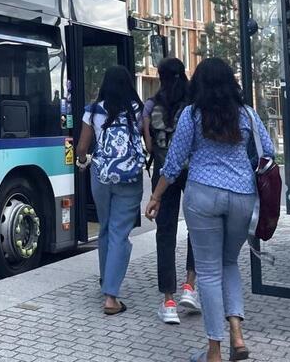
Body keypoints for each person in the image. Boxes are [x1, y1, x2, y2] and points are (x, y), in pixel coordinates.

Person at [145, 57, 274, 362]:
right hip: (242, 196)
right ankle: (237, 335)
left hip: (202, 195)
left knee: (209, 272)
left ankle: (214, 351)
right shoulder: (247, 115)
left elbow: (174, 163)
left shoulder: (192, 115)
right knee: (229, 264)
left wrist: (156, 196)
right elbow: (267, 152)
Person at [75, 64, 145, 315]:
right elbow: (145, 142)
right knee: (119, 232)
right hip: (129, 178)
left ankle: (106, 279)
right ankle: (111, 297)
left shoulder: (92, 110)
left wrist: (83, 163)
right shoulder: (137, 109)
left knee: (105, 228)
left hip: (101, 176)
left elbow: (82, 148)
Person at [142, 57, 199, 324]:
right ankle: (190, 286)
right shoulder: (193, 105)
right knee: (196, 228)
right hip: (192, 172)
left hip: (163, 175)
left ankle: (168, 301)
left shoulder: (152, 105)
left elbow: (150, 146)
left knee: (165, 234)